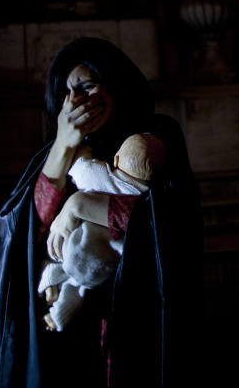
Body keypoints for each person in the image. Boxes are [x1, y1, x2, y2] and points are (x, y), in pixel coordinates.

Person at [0, 37, 201, 388]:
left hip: (134, 315)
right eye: (67, 92)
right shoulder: (57, 151)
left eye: (87, 86)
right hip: (69, 335)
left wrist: (78, 207)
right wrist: (63, 145)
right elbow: (30, 232)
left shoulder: (156, 136)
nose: (76, 101)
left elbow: (166, 221)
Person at [37, 133, 167, 333]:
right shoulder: (144, 197)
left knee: (66, 267)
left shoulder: (103, 176)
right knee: (78, 288)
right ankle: (58, 314)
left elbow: (81, 168)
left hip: (78, 250)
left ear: (115, 159)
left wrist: (83, 152)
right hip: (103, 267)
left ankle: (51, 279)